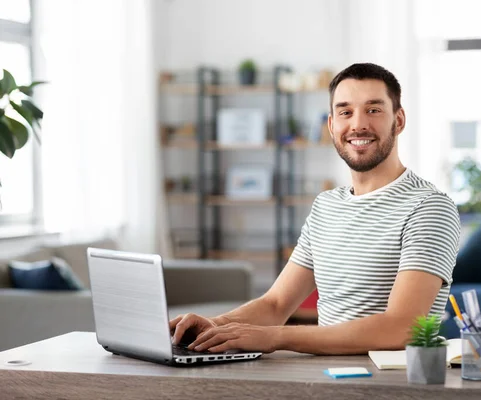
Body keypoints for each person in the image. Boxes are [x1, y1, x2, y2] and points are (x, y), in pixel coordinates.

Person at [170, 63, 460, 355]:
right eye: (345, 112)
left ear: (398, 121)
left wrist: (276, 337)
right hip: (326, 378)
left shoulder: (429, 208)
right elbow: (276, 304)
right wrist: (214, 324)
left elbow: (402, 328)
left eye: (373, 110)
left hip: (391, 384)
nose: (358, 124)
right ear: (332, 125)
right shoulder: (326, 205)